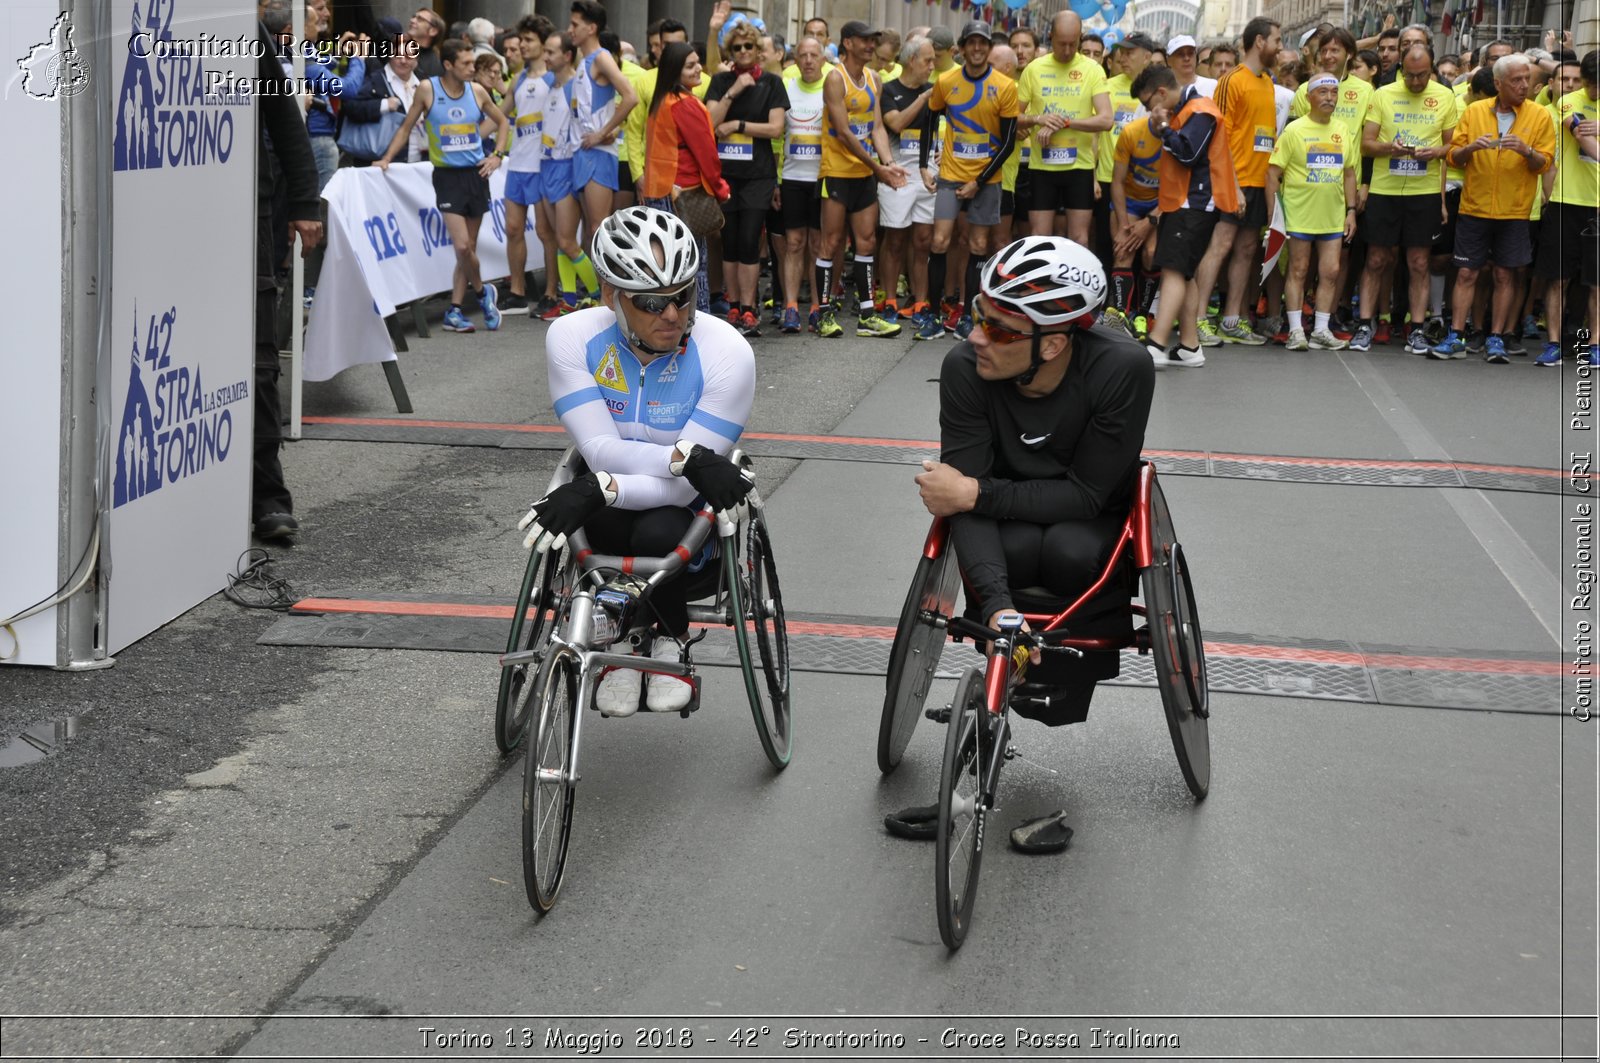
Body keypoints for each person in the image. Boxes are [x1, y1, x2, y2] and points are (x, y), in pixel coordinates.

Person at [912, 235, 1153, 742]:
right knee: (1017, 549)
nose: (976, 337)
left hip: (1087, 518)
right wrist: (998, 607)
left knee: (1070, 551)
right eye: (978, 315)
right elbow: (962, 507)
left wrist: (976, 494)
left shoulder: (1121, 368)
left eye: (999, 331)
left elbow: (1087, 496)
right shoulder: (964, 368)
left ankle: (1067, 675)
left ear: (1053, 343)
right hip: (1008, 524)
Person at [522, 208, 756, 715]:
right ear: (612, 297)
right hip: (617, 493)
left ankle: (670, 637)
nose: (673, 314)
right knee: (600, 523)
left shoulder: (727, 354)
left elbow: (683, 489)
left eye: (683, 296)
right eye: (652, 302)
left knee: (655, 529)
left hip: (686, 513)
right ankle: (623, 647)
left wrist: (604, 486)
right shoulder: (571, 338)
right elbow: (601, 452)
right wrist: (678, 458)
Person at [376, 39, 511, 334]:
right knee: (462, 246)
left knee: (469, 249)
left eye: (472, 63)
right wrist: (386, 158)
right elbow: (406, 127)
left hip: (476, 175)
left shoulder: (477, 91)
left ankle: (455, 309)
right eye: (465, 64)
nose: (471, 69)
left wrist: (497, 156)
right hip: (447, 177)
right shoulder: (428, 89)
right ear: (448, 65)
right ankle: (482, 292)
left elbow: (503, 122)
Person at [1431, 53, 1555, 361]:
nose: (1524, 85)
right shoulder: (1474, 112)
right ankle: (1457, 336)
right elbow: (1453, 156)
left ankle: (1496, 337)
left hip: (1514, 210)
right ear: (1498, 83)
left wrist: (1527, 152)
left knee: (1504, 275)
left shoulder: (1539, 115)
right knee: (1466, 274)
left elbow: (1545, 163)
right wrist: (1471, 148)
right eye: (1516, 80)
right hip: (1475, 207)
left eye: (1526, 79)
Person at [251, 18, 321, 542]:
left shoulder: (239, 25)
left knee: (258, 361)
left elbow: (285, 121)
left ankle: (267, 496)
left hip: (247, 216)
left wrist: (303, 203)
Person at [1126, 62, 1236, 368]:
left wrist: (1162, 129)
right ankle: (1189, 346)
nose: (1150, 111)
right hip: (1184, 203)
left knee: (1174, 270)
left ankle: (1157, 342)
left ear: (1161, 92)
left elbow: (1188, 153)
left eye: (1149, 104)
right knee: (1183, 272)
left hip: (1195, 203)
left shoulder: (1200, 109)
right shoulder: (1187, 109)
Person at [1353, 45, 1457, 354]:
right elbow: (1366, 145)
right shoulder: (1383, 94)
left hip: (1423, 192)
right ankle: (1364, 324)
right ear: (1401, 70)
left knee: (1419, 261)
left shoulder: (1444, 96)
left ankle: (1416, 329)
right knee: (1376, 259)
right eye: (1410, 76)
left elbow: (1453, 149)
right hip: (1386, 190)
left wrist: (1434, 152)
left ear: (1431, 69)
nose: (1415, 82)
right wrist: (1390, 149)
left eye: (1422, 75)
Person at [922, 20, 1019, 338]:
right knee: (939, 242)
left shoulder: (1005, 87)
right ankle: (933, 315)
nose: (977, 49)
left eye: (983, 43)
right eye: (972, 43)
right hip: (950, 176)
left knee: (978, 244)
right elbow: (930, 120)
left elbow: (1007, 143)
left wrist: (979, 180)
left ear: (989, 49)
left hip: (986, 180)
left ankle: (968, 316)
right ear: (961, 49)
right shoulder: (946, 81)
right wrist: (925, 164)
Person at [817, 21, 908, 339]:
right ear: (848, 43)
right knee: (831, 242)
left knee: (867, 241)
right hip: (838, 172)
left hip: (865, 174)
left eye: (874, 41)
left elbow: (877, 128)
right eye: (865, 40)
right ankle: (824, 314)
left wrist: (889, 163)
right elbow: (842, 132)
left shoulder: (874, 78)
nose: (871, 45)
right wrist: (877, 167)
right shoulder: (835, 78)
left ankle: (868, 315)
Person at [706, 19, 790, 336]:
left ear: (758, 51)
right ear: (731, 50)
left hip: (758, 176)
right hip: (724, 175)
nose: (743, 51)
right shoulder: (720, 82)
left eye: (749, 46)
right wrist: (733, 91)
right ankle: (734, 307)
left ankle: (750, 308)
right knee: (729, 242)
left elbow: (775, 128)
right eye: (737, 47)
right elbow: (710, 122)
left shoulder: (772, 83)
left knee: (749, 240)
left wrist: (738, 125)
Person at [1204, 16, 1281, 345]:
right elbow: (1217, 136)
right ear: (1260, 41)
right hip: (1230, 181)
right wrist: (1232, 184)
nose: (1280, 47)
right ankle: (1197, 319)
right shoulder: (1231, 80)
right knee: (1219, 247)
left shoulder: (1267, 81)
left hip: (1258, 182)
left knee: (1247, 249)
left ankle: (1232, 320)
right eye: (1277, 40)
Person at [1266, 73, 1357, 350]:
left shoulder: (1342, 129)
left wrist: (1351, 211)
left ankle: (1320, 330)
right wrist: (1274, 216)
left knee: (1330, 271)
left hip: (1331, 216)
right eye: (1323, 92)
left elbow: (1350, 174)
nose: (1329, 97)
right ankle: (1295, 330)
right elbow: (1272, 173)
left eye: (1333, 92)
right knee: (1299, 270)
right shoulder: (1294, 130)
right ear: (1309, 98)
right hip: (1299, 214)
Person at [640, 41, 729, 313]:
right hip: (683, 193)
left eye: (697, 62)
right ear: (674, 71)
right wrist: (721, 188)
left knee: (667, 264)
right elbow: (707, 154)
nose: (698, 68)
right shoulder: (686, 104)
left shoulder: (662, 100)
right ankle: (697, 319)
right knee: (693, 262)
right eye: (690, 65)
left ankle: (668, 317)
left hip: (659, 192)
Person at [1017, 12, 1112, 246]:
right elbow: (1013, 117)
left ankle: (1075, 284)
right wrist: (1039, 119)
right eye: (1062, 44)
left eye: (1073, 43)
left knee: (1079, 237)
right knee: (1039, 236)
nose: (1068, 50)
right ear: (1051, 37)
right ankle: (1040, 283)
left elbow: (1106, 119)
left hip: (1079, 166)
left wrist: (1067, 123)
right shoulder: (1034, 69)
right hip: (1042, 166)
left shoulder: (1092, 70)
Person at [1533, 49, 1598, 367]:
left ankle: (1595, 344)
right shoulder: (1568, 102)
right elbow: (1582, 136)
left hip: (1597, 203)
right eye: (1592, 85)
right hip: (1566, 200)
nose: (1596, 91)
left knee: (1597, 281)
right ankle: (1555, 342)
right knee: (1558, 278)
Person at [568, 1, 640, 258]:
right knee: (590, 229)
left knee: (600, 228)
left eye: (575, 25)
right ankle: (597, 293)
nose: (570, 30)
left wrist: (602, 132)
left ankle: (610, 293)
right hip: (582, 151)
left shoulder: (601, 57)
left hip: (599, 154)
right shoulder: (584, 61)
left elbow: (630, 97)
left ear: (592, 28)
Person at [879, 35, 938, 334]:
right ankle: (890, 299)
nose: (932, 66)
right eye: (927, 60)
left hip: (927, 173)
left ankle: (920, 301)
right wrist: (922, 99)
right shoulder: (889, 90)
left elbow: (945, 126)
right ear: (912, 60)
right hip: (898, 173)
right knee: (895, 241)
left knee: (923, 241)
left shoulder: (934, 90)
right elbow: (897, 123)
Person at [779, 37, 829, 334]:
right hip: (792, 177)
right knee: (794, 243)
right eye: (803, 55)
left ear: (823, 59)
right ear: (795, 60)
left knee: (818, 245)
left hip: (822, 177)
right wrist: (776, 179)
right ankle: (791, 307)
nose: (809, 60)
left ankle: (816, 307)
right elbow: (777, 136)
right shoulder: (787, 89)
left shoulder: (831, 88)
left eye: (814, 55)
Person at [1103, 105, 1163, 338]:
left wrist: (1150, 222)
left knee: (1151, 253)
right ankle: (1118, 314)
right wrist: (1122, 225)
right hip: (1129, 200)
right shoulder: (1131, 133)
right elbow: (1116, 182)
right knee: (1123, 250)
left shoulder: (1175, 137)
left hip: (1160, 202)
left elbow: (1175, 191)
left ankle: (1143, 314)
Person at [405, 8, 445, 79]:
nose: (412, 20)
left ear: (433, 31)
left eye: (420, 19)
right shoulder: (397, 47)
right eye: (413, 17)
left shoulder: (435, 65)